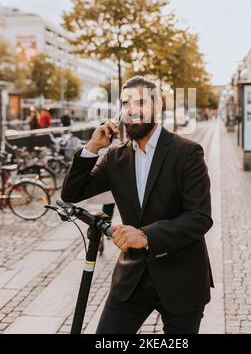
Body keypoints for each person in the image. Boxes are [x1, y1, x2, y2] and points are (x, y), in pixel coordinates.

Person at [61, 76, 213, 334]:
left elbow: (199, 218)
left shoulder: (188, 152)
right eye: (125, 103)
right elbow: (72, 192)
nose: (132, 110)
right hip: (131, 279)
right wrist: (91, 148)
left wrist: (145, 235)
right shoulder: (114, 157)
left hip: (182, 277)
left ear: (158, 105)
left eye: (141, 102)